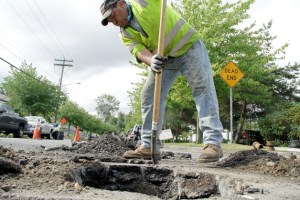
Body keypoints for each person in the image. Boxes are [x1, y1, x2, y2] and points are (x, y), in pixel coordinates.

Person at [100, 0, 224, 162]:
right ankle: (149, 145)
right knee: (148, 95)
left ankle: (213, 143)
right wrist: (151, 60)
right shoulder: (125, 34)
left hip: (188, 47)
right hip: (164, 59)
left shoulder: (142, 3)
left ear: (121, 4)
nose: (112, 21)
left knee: (202, 88)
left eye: (112, 15)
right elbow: (138, 51)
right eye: (108, 20)